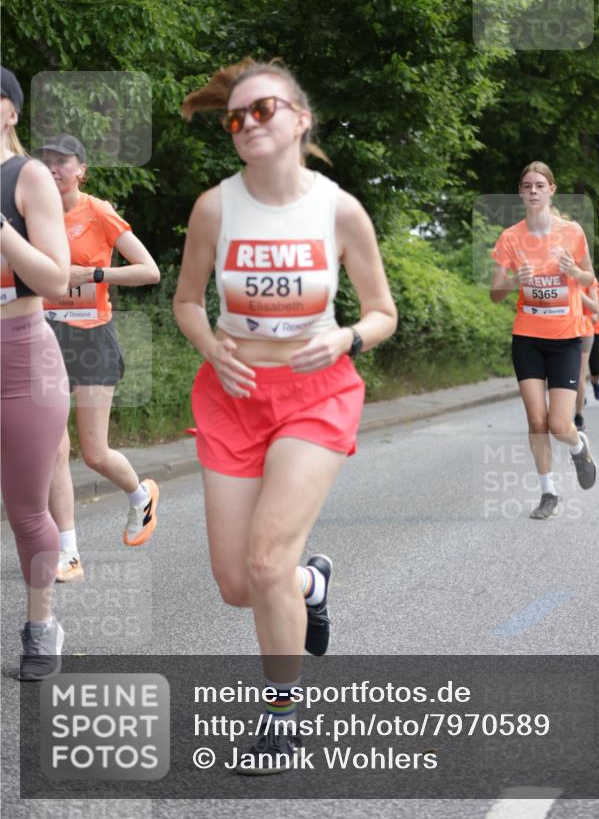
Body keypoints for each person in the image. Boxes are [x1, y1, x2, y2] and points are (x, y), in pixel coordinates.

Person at [174, 57, 397, 773]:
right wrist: (211, 347)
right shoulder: (214, 208)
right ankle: (311, 584)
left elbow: (382, 312)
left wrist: (347, 337)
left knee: (267, 559)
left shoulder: (338, 210)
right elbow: (186, 301)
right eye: (235, 118)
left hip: (316, 394)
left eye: (263, 109)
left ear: (300, 118)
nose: (246, 124)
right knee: (240, 585)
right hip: (233, 395)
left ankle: (281, 720)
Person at [34, 134, 161, 581]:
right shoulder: (31, 214)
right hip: (45, 337)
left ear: (81, 170)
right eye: (46, 161)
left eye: (63, 161)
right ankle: (68, 553)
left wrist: (93, 274)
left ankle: (141, 495)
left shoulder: (98, 211)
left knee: (94, 453)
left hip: (92, 340)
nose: (53, 168)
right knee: (54, 448)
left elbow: (150, 271)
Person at [1, 68, 70, 679]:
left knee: (26, 510)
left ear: (11, 112)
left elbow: (55, 279)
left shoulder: (27, 177)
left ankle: (41, 626)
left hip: (22, 357)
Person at [489, 161, 598, 521]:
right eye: (527, 186)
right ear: (520, 193)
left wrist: (573, 271)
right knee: (537, 421)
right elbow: (495, 294)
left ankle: (578, 446)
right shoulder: (510, 238)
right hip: (528, 339)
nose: (533, 190)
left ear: (552, 190)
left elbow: (589, 278)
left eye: (539, 185)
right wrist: (513, 281)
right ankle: (548, 492)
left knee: (559, 425)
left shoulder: (572, 232)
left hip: (565, 338)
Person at [574, 281, 599, 431]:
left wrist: (575, 291)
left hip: (584, 331)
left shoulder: (589, 280)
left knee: (579, 375)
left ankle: (578, 415)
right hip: (561, 331)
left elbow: (595, 307)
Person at [588, 280, 599, 400]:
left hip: (595, 330)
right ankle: (579, 393)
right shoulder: (571, 286)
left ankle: (595, 382)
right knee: (577, 367)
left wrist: (597, 313)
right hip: (577, 331)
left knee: (595, 367)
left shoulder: (593, 286)